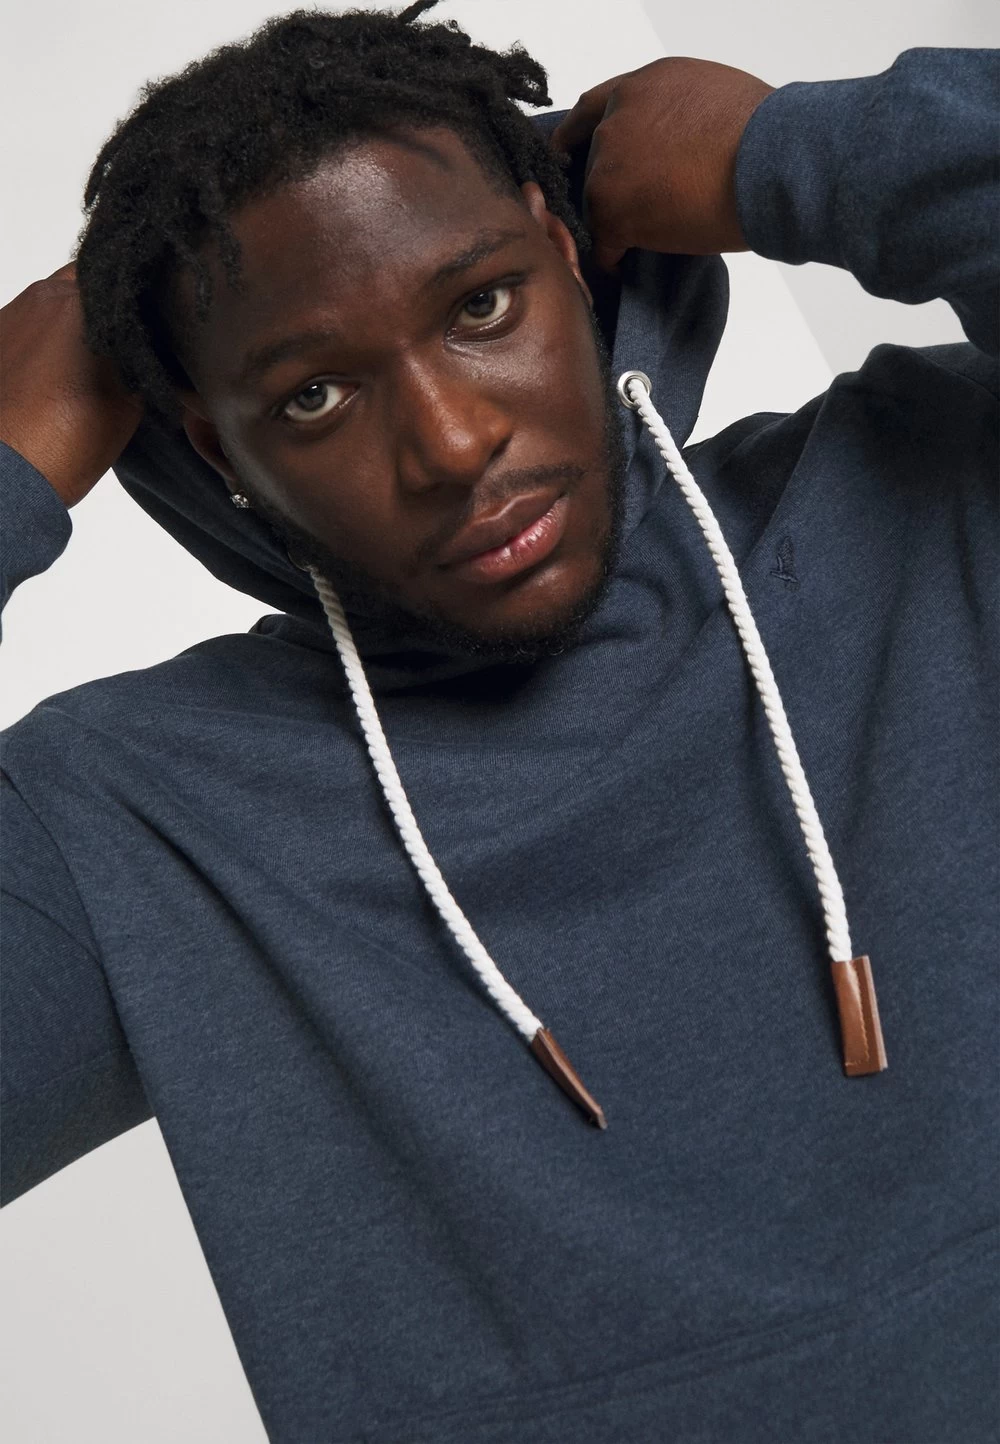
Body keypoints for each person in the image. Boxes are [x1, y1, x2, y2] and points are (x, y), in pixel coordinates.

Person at [1, 1, 996, 1438]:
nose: (455, 444)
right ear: (220, 449)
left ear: (566, 254)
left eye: (479, 308)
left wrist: (800, 153)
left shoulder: (929, 493)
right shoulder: (139, 822)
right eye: (314, 394)